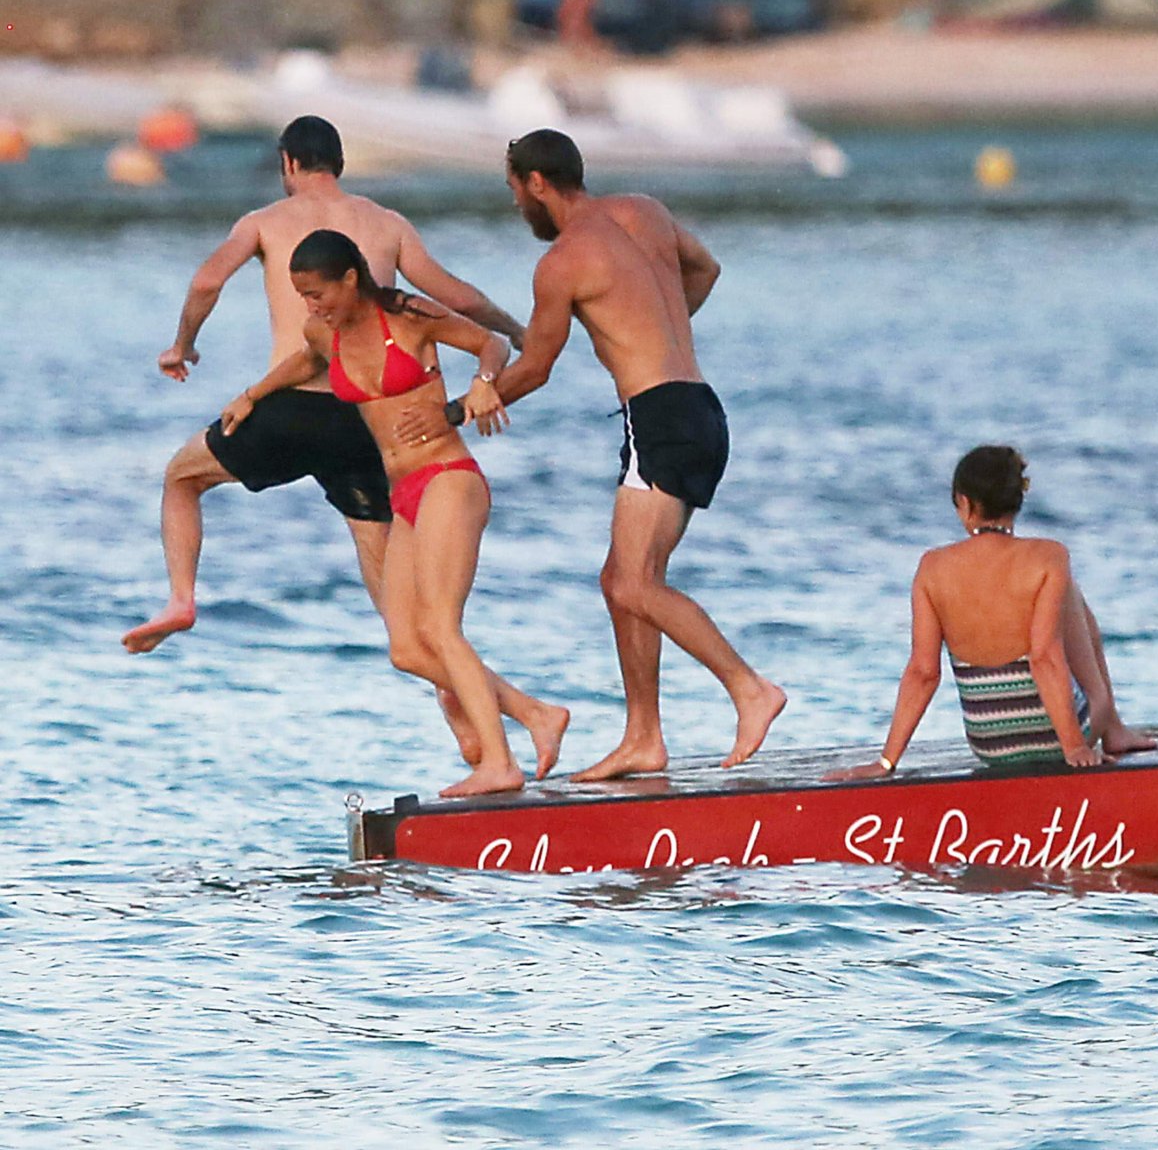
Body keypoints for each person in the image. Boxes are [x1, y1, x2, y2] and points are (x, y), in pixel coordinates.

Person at [393, 128, 786, 781]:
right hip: (697, 407)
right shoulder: (644, 211)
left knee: (633, 583)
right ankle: (643, 738)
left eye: (515, 190)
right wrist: (655, 329)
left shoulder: (563, 262)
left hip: (659, 418)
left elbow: (537, 368)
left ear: (536, 184)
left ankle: (749, 688)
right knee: (623, 580)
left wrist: (459, 408)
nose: (516, 205)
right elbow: (705, 269)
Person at [122, 115, 525, 656]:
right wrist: (515, 330)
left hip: (288, 410)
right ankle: (442, 678)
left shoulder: (263, 221)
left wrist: (182, 345)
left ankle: (181, 599)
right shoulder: (387, 223)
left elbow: (207, 280)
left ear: (288, 163)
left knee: (182, 478)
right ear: (340, 162)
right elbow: (458, 297)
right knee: (387, 574)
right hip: (366, 418)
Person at [220, 229, 568, 797]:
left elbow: (490, 344)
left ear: (350, 278)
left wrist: (482, 387)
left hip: (448, 477)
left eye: (317, 294)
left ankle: (500, 762)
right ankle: (535, 713)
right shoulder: (323, 332)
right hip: (401, 493)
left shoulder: (409, 318)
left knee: (440, 627)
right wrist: (252, 395)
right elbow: (304, 362)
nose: (311, 306)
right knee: (406, 647)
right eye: (302, 296)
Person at [828, 446, 1155, 781]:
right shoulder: (1049, 555)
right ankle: (1113, 727)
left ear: (965, 502)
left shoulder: (932, 568)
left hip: (991, 743)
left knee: (1058, 586)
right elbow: (1044, 657)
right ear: (1017, 498)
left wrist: (885, 762)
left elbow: (923, 672)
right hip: (1060, 736)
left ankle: (1111, 728)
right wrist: (1074, 747)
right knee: (1066, 589)